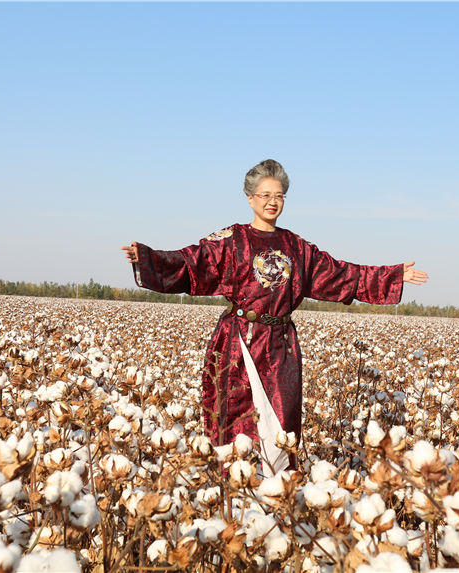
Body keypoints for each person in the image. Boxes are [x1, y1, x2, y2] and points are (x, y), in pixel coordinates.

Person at [122, 159, 428, 473]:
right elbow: (191, 261)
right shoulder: (232, 239)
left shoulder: (296, 247)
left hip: (281, 346)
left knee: (282, 423)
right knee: (236, 421)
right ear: (250, 198)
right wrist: (147, 257)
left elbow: (339, 274)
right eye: (265, 194)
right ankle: (235, 485)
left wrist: (391, 275)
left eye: (279, 195)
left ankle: (278, 488)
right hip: (239, 341)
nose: (272, 201)